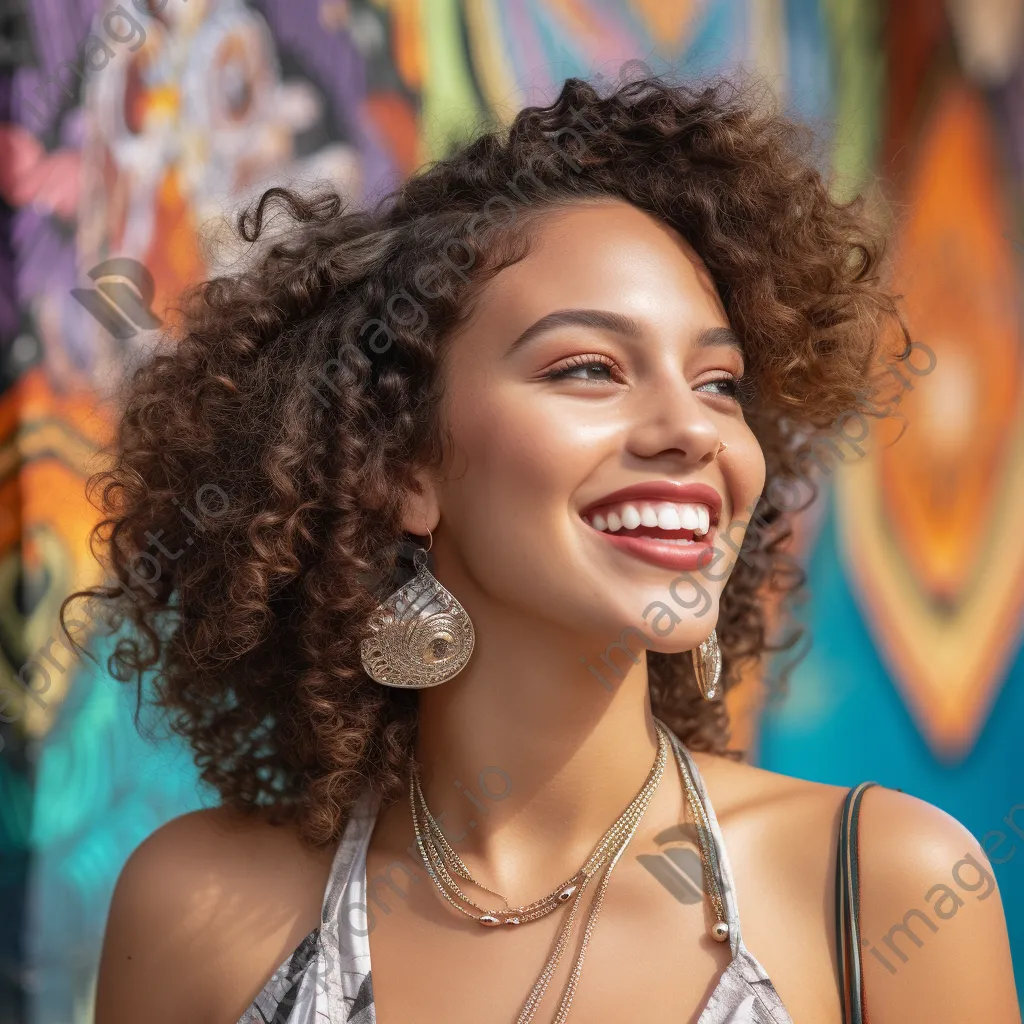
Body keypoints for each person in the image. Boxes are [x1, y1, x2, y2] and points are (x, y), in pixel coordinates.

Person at [72, 72, 1019, 1024]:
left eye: (719, 381)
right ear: (403, 466)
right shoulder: (196, 911)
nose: (691, 430)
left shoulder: (878, 892)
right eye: (589, 368)